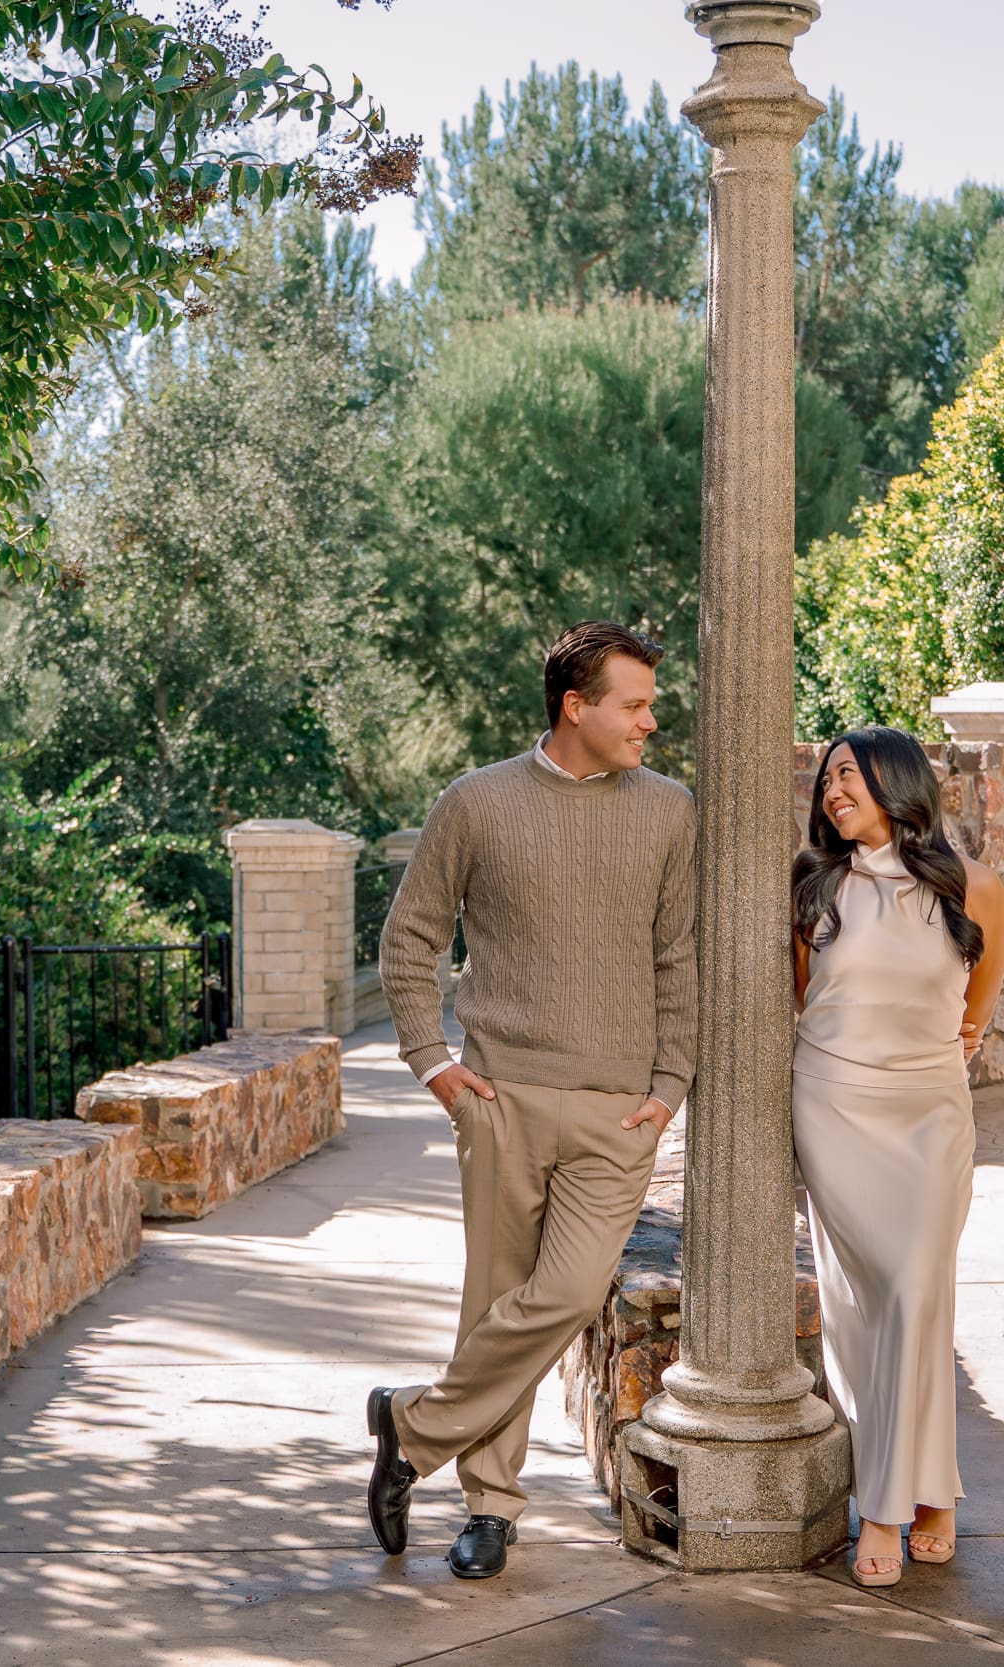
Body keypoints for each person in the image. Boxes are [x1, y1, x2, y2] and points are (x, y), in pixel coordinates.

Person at [366, 620, 697, 1580]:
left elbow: (678, 957)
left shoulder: (670, 811)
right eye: (634, 703)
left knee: (567, 1292)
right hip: (502, 1097)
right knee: (496, 1299)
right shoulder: (475, 803)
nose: (649, 719)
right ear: (576, 705)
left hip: (617, 1111)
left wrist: (669, 1085)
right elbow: (409, 941)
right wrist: (435, 1063)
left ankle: (408, 1428)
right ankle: (492, 1505)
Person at [791, 726, 1004, 1588]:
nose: (831, 790)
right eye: (827, 779)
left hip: (929, 1113)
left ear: (897, 783)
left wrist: (938, 1063)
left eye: (848, 775)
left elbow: (976, 1003)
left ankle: (887, 1505)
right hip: (834, 1106)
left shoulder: (974, 887)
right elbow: (807, 998)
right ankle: (929, 1493)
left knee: (920, 1291)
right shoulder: (818, 886)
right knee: (866, 1310)